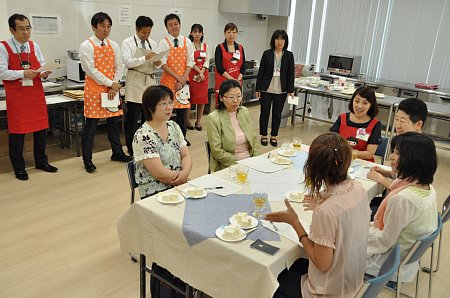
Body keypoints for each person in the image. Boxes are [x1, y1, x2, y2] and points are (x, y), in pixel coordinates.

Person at [266, 132, 370, 297]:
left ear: (313, 167)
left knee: (268, 278)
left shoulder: (326, 212)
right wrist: (322, 200)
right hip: (353, 280)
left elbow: (322, 264)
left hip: (329, 291)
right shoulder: (358, 188)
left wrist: (295, 222)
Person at [366, 132, 437, 282]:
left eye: (397, 154)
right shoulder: (426, 187)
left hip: (389, 264)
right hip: (407, 259)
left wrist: (358, 235)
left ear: (413, 160)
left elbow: (385, 240)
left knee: (337, 244)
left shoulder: (403, 199)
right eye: (393, 151)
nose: (391, 156)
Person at [0, 13, 58, 180]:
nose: (26, 32)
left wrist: (44, 73)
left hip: (35, 94)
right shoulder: (3, 47)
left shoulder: (34, 45)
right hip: (17, 96)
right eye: (21, 29)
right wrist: (22, 73)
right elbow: (2, 72)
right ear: (12, 30)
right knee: (18, 132)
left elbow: (40, 66)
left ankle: (41, 161)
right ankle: (19, 167)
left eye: (28, 28)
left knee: (40, 129)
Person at [79, 12, 132, 173]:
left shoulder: (113, 45)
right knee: (91, 127)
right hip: (95, 91)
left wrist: (114, 85)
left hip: (111, 90)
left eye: (108, 26)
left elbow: (119, 66)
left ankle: (117, 153)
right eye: (102, 26)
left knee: (113, 123)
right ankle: (87, 160)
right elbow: (91, 70)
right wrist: (111, 84)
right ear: (94, 27)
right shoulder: (86, 46)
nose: (106, 29)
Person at [132, 85, 192, 198]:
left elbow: (186, 155)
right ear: (150, 107)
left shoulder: (173, 126)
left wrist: (184, 174)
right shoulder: (143, 135)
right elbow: (159, 173)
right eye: (164, 103)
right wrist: (181, 179)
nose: (169, 107)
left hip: (179, 183)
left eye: (170, 102)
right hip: (155, 190)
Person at [121, 16, 161, 156]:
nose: (146, 35)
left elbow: (158, 62)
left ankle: (147, 144)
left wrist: (157, 62)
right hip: (135, 81)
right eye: (143, 32)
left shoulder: (152, 43)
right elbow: (127, 62)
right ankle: (131, 148)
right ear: (137, 29)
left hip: (149, 81)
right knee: (132, 117)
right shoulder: (127, 43)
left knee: (148, 116)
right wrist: (145, 58)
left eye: (148, 33)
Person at [368, 97, 428, 189]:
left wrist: (381, 179)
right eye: (396, 119)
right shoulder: (404, 141)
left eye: (402, 121)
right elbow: (402, 176)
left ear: (418, 124)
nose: (397, 125)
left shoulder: (419, 150)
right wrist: (384, 172)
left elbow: (408, 192)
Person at [206, 79, 259, 172]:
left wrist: (256, 159)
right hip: (228, 165)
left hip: (251, 162)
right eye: (231, 97)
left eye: (239, 96)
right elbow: (217, 151)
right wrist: (241, 163)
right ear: (221, 98)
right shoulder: (214, 118)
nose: (236, 101)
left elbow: (253, 139)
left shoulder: (244, 111)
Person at [158, 13, 194, 146]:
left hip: (183, 82)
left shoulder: (187, 41)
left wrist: (183, 78)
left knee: (182, 112)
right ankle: (167, 138)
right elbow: (162, 63)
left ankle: (182, 138)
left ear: (180, 25)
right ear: (167, 28)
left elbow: (190, 61)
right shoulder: (163, 42)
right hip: (168, 82)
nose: (174, 27)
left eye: (176, 24)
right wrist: (178, 77)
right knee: (166, 112)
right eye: (170, 25)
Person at [256, 29, 295, 147]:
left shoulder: (289, 55)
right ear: (273, 40)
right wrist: (258, 88)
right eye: (277, 39)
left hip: (281, 90)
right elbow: (261, 72)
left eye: (282, 39)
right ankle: (263, 134)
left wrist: (290, 90)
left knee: (277, 114)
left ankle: (274, 135)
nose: (279, 42)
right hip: (266, 89)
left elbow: (290, 74)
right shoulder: (267, 53)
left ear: (285, 41)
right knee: (265, 113)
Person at [330, 86, 381, 162]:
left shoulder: (375, 124)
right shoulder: (342, 118)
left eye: (365, 103)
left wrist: (351, 153)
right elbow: (332, 141)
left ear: (371, 105)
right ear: (352, 101)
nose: (359, 106)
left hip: (362, 163)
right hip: (340, 159)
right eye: (357, 101)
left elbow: (369, 154)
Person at [214, 23, 245, 106]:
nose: (231, 35)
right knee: (223, 106)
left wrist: (237, 80)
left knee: (235, 105)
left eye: (234, 32)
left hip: (237, 83)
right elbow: (219, 68)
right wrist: (231, 80)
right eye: (229, 32)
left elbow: (243, 66)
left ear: (236, 33)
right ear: (224, 33)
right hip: (223, 82)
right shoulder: (219, 48)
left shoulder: (240, 48)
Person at [186, 23, 209, 132]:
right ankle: (188, 121)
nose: (197, 34)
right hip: (191, 73)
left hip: (203, 76)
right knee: (189, 99)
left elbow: (207, 60)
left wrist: (202, 72)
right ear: (191, 33)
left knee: (202, 100)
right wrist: (199, 71)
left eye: (199, 32)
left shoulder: (205, 46)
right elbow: (189, 60)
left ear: (202, 33)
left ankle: (198, 122)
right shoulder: (188, 45)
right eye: (194, 32)